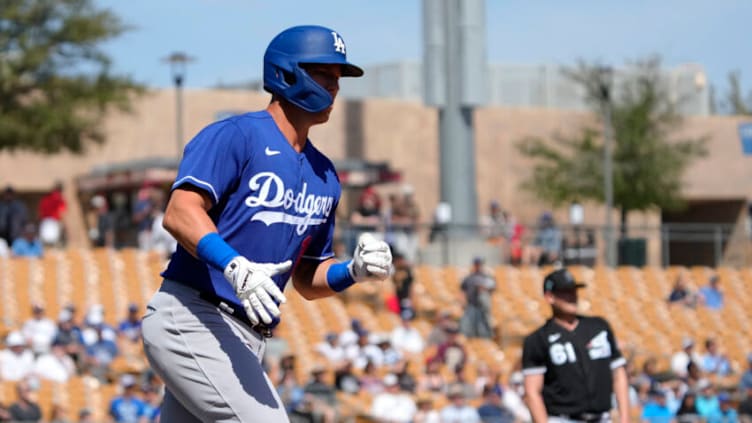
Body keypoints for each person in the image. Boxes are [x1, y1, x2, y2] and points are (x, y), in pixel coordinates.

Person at [141, 25, 392, 422]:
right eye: (324, 74)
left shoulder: (324, 174)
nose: (334, 88)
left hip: (246, 338)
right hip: (194, 315)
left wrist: (354, 271)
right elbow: (180, 211)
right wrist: (234, 265)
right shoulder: (236, 135)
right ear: (286, 73)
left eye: (338, 79)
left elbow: (308, 279)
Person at [522, 268, 630, 423]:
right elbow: (532, 392)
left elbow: (619, 374)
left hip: (602, 418)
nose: (571, 296)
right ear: (549, 296)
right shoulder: (538, 339)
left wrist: (625, 418)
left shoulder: (599, 327)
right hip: (563, 419)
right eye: (564, 292)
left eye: (573, 290)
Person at [459, 256, 496, 339]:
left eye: (479, 264)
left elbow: (493, 288)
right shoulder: (469, 278)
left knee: (484, 330)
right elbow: (462, 291)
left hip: (483, 307)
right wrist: (462, 302)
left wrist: (483, 288)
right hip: (471, 306)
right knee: (468, 329)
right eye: (476, 264)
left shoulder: (487, 277)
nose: (477, 266)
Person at [38, 181, 67, 247]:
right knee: (53, 243)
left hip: (45, 221)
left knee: (45, 243)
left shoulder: (45, 198)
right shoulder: (58, 198)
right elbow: (61, 211)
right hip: (53, 221)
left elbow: (40, 211)